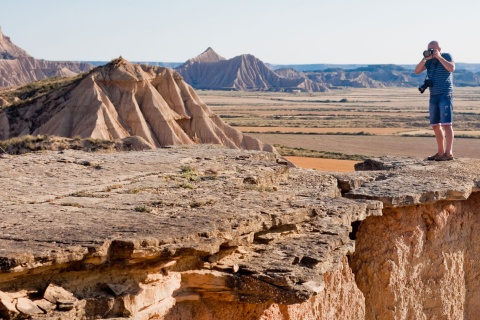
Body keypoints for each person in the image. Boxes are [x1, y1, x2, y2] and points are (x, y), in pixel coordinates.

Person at [414, 40, 455, 161]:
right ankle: (440, 152)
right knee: (435, 125)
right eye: (429, 49)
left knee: (447, 124)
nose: (431, 51)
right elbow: (416, 71)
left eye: (433, 49)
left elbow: (451, 68)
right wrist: (425, 58)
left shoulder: (446, 56)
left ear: (439, 49)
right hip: (433, 95)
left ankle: (449, 153)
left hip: (445, 94)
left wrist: (439, 57)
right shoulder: (429, 61)